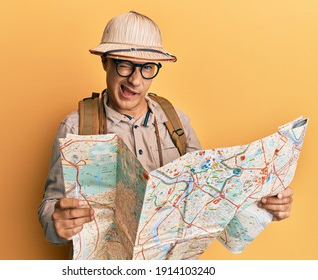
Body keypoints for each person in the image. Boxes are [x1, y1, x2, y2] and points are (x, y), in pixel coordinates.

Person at [38, 11, 294, 247]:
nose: (135, 80)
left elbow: (207, 200)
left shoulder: (177, 121)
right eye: (124, 65)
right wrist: (57, 223)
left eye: (147, 68)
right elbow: (50, 209)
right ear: (105, 62)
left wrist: (263, 206)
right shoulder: (74, 127)